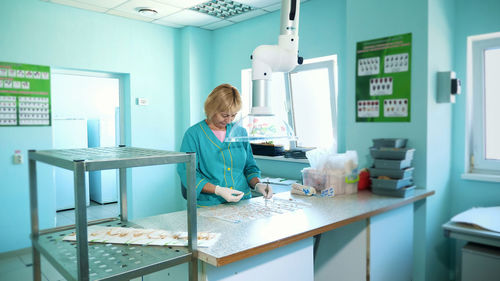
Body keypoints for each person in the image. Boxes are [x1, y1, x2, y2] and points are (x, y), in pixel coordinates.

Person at [177, 83, 273, 206]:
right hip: (210, 204)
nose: (229, 120)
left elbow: (250, 167)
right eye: (224, 115)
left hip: (242, 201)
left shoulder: (240, 132)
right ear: (212, 109)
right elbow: (187, 173)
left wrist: (258, 184)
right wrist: (218, 190)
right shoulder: (193, 134)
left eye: (233, 115)